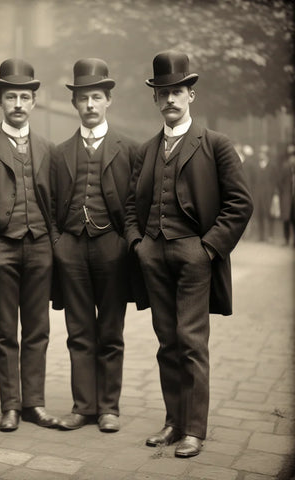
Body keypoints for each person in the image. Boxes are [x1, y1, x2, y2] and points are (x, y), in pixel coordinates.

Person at [124, 51, 253, 457]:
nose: (170, 99)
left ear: (191, 95)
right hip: (154, 257)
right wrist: (138, 245)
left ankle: (194, 429)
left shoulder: (215, 144)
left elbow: (240, 204)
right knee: (167, 342)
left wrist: (208, 248)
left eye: (177, 91)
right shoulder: (146, 150)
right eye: (163, 93)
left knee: (191, 341)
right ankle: (172, 422)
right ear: (156, 99)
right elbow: (130, 207)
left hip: (195, 255)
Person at [0, 58, 59, 432]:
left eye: (24, 96)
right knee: (5, 331)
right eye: (11, 96)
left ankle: (34, 403)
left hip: (40, 249)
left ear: (33, 102)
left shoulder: (49, 149)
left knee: (38, 329)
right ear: (0, 100)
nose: (18, 103)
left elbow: (57, 201)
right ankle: (10, 406)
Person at [51, 58, 140, 433]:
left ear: (108, 101)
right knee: (78, 331)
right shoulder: (59, 152)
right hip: (71, 248)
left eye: (97, 97)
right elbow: (51, 201)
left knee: (111, 332)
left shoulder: (130, 149)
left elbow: (138, 201)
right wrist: (58, 243)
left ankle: (109, 409)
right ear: (75, 103)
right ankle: (83, 406)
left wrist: (124, 243)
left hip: (111, 248)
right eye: (83, 98)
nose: (89, 105)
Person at [279, 144, 295, 246]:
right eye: (290, 155)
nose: (292, 158)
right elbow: (280, 181)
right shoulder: (285, 167)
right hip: (287, 196)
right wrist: (283, 192)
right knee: (286, 218)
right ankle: (286, 239)